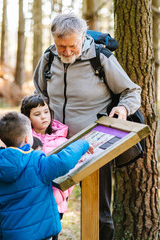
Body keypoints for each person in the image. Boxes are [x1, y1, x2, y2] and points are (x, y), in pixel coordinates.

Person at [33, 13, 142, 240]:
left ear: (83, 37)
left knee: (99, 210)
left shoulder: (100, 58)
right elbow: (39, 93)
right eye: (60, 46)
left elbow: (131, 91)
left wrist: (122, 110)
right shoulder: (48, 58)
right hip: (56, 144)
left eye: (72, 45)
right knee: (48, 202)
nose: (66, 52)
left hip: (94, 146)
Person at [0, 111, 93, 240]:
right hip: (41, 233)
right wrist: (83, 144)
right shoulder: (36, 161)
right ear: (27, 138)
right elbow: (63, 161)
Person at [21, 94, 74, 240]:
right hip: (33, 202)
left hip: (56, 201)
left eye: (46, 111)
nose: (43, 117)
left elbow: (70, 169)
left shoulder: (62, 139)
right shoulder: (24, 141)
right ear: (27, 118)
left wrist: (61, 195)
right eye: (37, 114)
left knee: (53, 234)